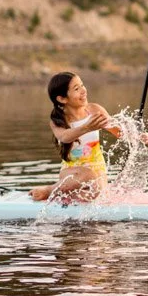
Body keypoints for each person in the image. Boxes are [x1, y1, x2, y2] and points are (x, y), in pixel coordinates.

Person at [29, 72, 122, 203]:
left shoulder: (95, 110)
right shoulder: (58, 120)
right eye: (76, 89)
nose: (83, 91)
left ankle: (68, 195)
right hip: (71, 174)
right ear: (62, 99)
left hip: (98, 171)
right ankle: (50, 190)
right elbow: (64, 137)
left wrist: (141, 137)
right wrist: (87, 127)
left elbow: (118, 132)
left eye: (82, 85)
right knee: (87, 174)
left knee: (96, 193)